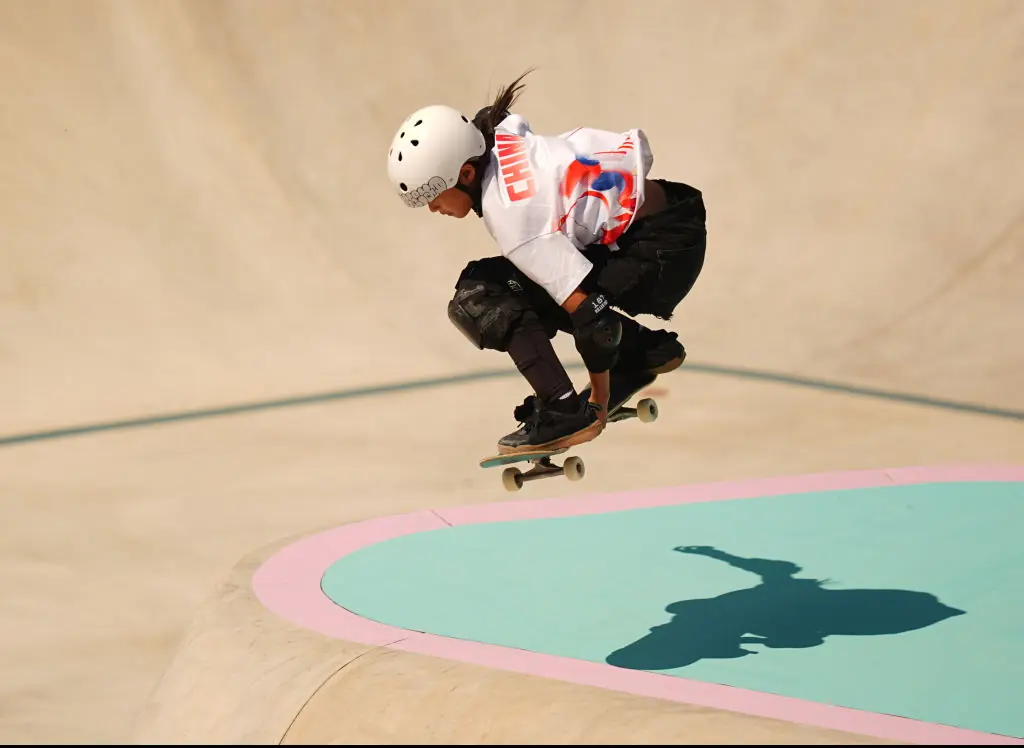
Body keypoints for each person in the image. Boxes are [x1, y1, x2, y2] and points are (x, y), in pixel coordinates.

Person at [387, 70, 707, 455]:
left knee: (480, 296)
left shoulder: (513, 219)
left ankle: (563, 409)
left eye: (434, 196)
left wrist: (597, 406)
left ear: (467, 173)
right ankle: (643, 352)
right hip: (672, 216)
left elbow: (596, 320)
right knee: (524, 279)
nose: (433, 208)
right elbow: (492, 118)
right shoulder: (496, 134)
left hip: (657, 255)